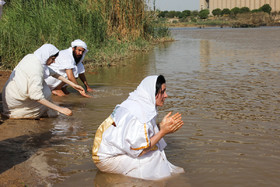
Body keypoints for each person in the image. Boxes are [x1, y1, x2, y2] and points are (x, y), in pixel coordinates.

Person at [92, 75, 184, 180]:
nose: (166, 95)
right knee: (154, 157)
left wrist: (161, 127)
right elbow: (140, 151)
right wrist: (163, 132)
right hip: (107, 159)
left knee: (155, 150)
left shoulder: (137, 102)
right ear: (152, 93)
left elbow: (137, 134)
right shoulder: (141, 113)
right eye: (162, 92)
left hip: (102, 151)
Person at [1, 44, 89, 119]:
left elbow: (53, 73)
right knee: (55, 113)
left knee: (52, 108)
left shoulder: (33, 58)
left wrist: (73, 85)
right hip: (18, 104)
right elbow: (36, 97)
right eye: (53, 59)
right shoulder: (35, 68)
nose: (54, 62)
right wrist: (61, 109)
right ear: (47, 56)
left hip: (12, 97)